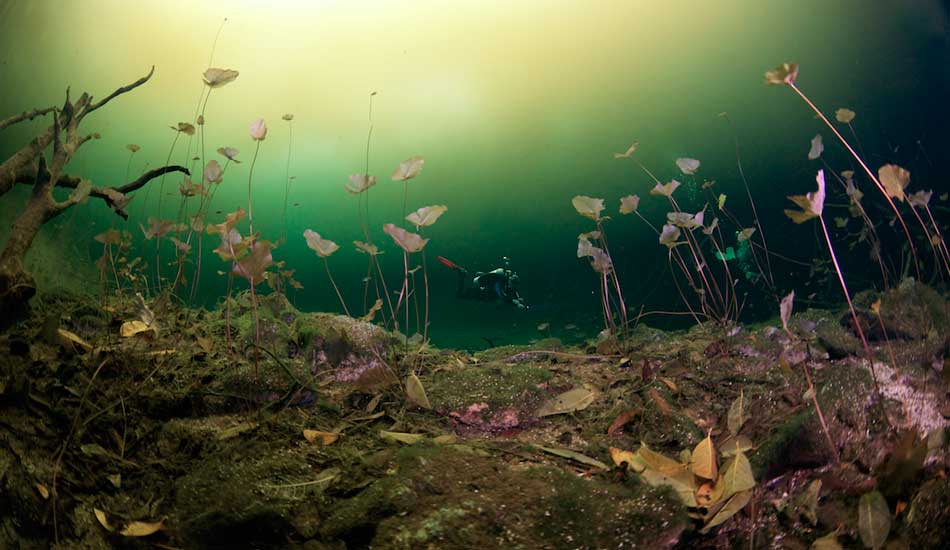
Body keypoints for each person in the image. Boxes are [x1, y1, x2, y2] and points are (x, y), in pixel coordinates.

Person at [437, 256, 528, 310]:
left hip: (484, 289)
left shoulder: (506, 280)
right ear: (510, 280)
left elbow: (513, 291)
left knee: (466, 296)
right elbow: (499, 292)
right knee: (460, 296)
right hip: (481, 290)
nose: (511, 287)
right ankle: (461, 274)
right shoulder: (501, 280)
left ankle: (464, 274)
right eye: (512, 284)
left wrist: (518, 299)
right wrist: (513, 302)